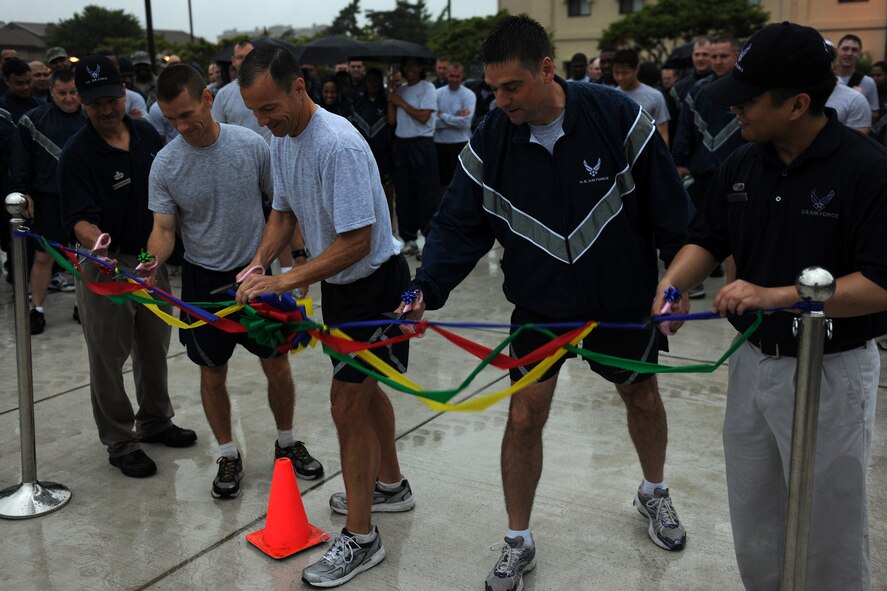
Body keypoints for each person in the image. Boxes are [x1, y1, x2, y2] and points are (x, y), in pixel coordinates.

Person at [400, 16, 689, 591]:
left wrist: (674, 284)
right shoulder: (492, 138)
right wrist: (423, 290)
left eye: (512, 87)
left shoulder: (618, 119)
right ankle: (518, 540)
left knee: (641, 393)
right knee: (524, 415)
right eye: (494, 88)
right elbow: (458, 224)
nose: (501, 100)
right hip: (538, 307)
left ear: (547, 70)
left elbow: (673, 213)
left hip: (620, 300)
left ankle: (653, 492)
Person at [654, 21, 887, 591]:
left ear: (798, 104)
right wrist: (674, 286)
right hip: (752, 361)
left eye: (748, 100)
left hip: (831, 371)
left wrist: (778, 295)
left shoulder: (866, 168)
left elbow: (881, 283)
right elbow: (707, 237)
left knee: (829, 521)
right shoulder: (742, 163)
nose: (735, 111)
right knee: (755, 512)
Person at [237, 44, 414, 587]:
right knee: (364, 392)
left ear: (299, 86)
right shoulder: (284, 140)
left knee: (345, 404)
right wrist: (259, 260)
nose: (265, 121)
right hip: (340, 288)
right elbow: (283, 212)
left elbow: (359, 240)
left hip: (374, 286)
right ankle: (390, 486)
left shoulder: (337, 143)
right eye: (255, 112)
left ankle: (362, 539)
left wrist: (287, 279)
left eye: (270, 108)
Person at [144, 63, 322, 499]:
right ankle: (227, 453)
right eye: (171, 120)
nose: (181, 127)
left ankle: (286, 443)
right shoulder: (165, 164)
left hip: (258, 275)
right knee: (211, 372)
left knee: (277, 365)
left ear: (207, 97)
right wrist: (149, 262)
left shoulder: (251, 146)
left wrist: (296, 260)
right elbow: (164, 231)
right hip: (204, 284)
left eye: (187, 114)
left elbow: (280, 210)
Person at [58, 54, 196, 478]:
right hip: (105, 264)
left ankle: (155, 420)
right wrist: (94, 242)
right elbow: (78, 218)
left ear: (124, 92)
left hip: (149, 256)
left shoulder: (147, 135)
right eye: (95, 101)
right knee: (108, 355)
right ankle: (119, 440)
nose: (105, 109)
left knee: (154, 345)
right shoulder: (76, 154)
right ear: (83, 102)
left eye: (111, 99)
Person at [8, 67, 86, 334]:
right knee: (43, 257)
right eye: (62, 92)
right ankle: (36, 309)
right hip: (48, 200)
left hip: (82, 201)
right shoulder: (32, 121)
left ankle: (82, 305)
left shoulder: (92, 119)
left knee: (82, 257)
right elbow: (20, 163)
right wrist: (24, 192)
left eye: (73, 92)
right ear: (51, 91)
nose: (68, 98)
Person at [671, 36, 745, 298]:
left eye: (722, 56)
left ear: (737, 55)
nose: (715, 61)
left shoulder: (746, 89)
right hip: (702, 172)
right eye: (713, 56)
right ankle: (692, 284)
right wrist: (679, 161)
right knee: (697, 229)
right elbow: (685, 128)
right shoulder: (698, 90)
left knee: (738, 232)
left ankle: (733, 288)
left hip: (739, 172)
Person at [388, 57, 439, 259]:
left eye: (415, 65)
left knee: (426, 193)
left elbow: (423, 116)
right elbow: (391, 120)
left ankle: (428, 239)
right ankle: (409, 239)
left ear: (421, 68)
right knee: (404, 193)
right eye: (407, 65)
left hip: (422, 144)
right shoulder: (398, 91)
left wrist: (400, 102)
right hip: (402, 144)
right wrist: (391, 96)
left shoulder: (428, 88)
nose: (411, 69)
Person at [349, 67, 395, 225]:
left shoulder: (387, 100)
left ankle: (391, 230)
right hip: (362, 155)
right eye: (369, 81)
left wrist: (390, 99)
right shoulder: (358, 102)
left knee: (387, 193)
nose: (372, 84)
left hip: (384, 154)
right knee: (364, 194)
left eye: (376, 81)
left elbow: (392, 121)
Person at [211, 41, 272, 143]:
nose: (245, 60)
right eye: (240, 57)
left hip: (272, 155)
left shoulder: (272, 87)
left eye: (249, 56)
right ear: (233, 61)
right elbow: (217, 134)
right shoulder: (223, 95)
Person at [613, 49, 670, 144]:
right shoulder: (611, 96)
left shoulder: (655, 96)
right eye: (616, 73)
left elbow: (663, 132)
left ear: (636, 70)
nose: (620, 78)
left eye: (625, 73)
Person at [434, 61, 476, 190]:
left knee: (461, 182)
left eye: (457, 77)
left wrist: (443, 115)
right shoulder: (437, 93)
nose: (454, 79)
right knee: (442, 183)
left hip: (461, 143)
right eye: (451, 76)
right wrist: (456, 119)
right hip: (440, 143)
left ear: (462, 76)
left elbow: (466, 123)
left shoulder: (469, 95)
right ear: (447, 75)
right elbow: (433, 122)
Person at [834, 34, 879, 120]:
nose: (849, 53)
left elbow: (875, 114)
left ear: (860, 54)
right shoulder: (826, 78)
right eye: (845, 49)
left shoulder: (868, 82)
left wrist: (859, 101)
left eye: (854, 50)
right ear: (837, 51)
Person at [670, 38, 711, 111]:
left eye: (705, 54)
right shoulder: (679, 88)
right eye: (697, 54)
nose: (700, 58)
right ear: (692, 56)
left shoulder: (722, 84)